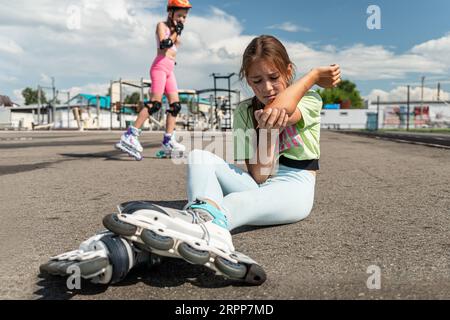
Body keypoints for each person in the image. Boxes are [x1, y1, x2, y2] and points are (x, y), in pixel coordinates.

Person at [40, 35, 340, 286]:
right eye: (256, 81)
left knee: (232, 205)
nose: (266, 88)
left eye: (274, 78)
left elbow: (285, 110)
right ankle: (191, 231)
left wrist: (312, 76)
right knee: (199, 156)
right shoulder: (244, 112)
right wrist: (265, 133)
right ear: (247, 81)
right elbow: (259, 176)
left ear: (289, 72)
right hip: (263, 181)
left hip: (294, 186)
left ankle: (143, 247)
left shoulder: (309, 99)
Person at [115, 0, 192, 160]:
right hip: (159, 68)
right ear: (170, 13)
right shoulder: (161, 26)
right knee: (155, 103)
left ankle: (168, 141)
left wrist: (177, 31)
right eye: (179, 15)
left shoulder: (175, 31)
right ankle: (130, 135)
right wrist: (176, 32)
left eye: (184, 17)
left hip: (170, 69)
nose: (182, 20)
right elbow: (165, 45)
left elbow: (173, 49)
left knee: (175, 106)